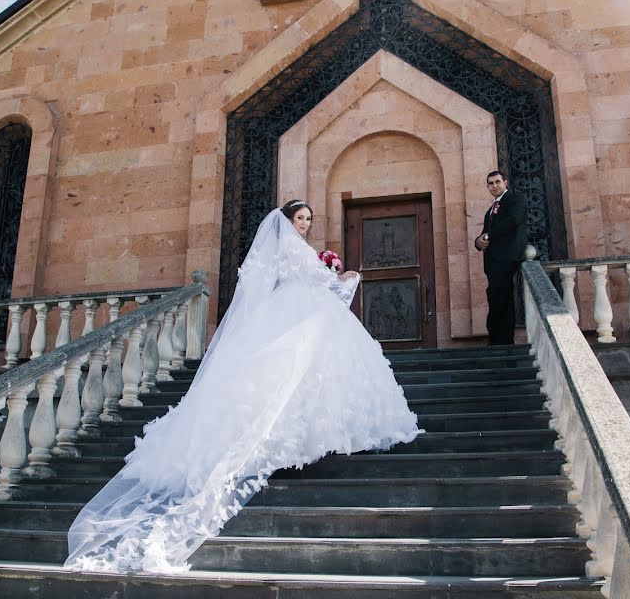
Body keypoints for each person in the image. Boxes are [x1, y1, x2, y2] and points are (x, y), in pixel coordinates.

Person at [65, 199, 422, 573]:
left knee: (302, 368)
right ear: (286, 220)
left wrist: (327, 272)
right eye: (301, 219)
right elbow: (315, 280)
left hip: (291, 310)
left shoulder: (285, 249)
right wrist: (340, 276)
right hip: (299, 311)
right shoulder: (291, 248)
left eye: (309, 220)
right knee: (297, 367)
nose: (305, 225)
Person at [473, 171, 528, 345]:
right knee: (495, 297)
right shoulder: (491, 210)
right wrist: (478, 241)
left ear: (505, 182)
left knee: (502, 298)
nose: (494, 186)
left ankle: (502, 342)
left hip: (507, 256)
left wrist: (488, 236)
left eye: (497, 182)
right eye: (491, 183)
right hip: (493, 262)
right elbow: (483, 234)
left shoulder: (515, 199)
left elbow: (514, 220)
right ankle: (496, 340)